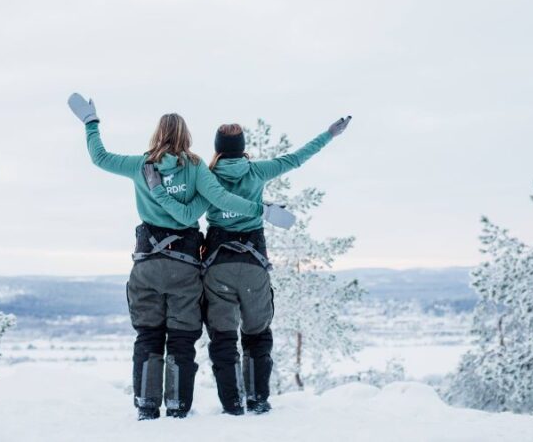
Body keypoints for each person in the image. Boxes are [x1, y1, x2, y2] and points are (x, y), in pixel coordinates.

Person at [67, 93, 295, 420]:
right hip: (186, 268)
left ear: (157, 134)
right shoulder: (197, 168)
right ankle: (177, 408)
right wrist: (263, 210)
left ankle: (147, 408)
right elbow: (221, 199)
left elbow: (100, 158)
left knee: (148, 335)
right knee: (182, 339)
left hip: (147, 264)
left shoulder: (140, 165)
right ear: (187, 136)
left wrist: (91, 123)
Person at [144, 116, 351, 415]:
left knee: (223, 337)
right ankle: (258, 399)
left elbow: (186, 210)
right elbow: (297, 158)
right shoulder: (257, 171)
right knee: (257, 334)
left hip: (217, 266)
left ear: (217, 148)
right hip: (253, 262)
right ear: (242, 148)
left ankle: (232, 405)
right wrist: (329, 134)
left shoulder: (205, 174)